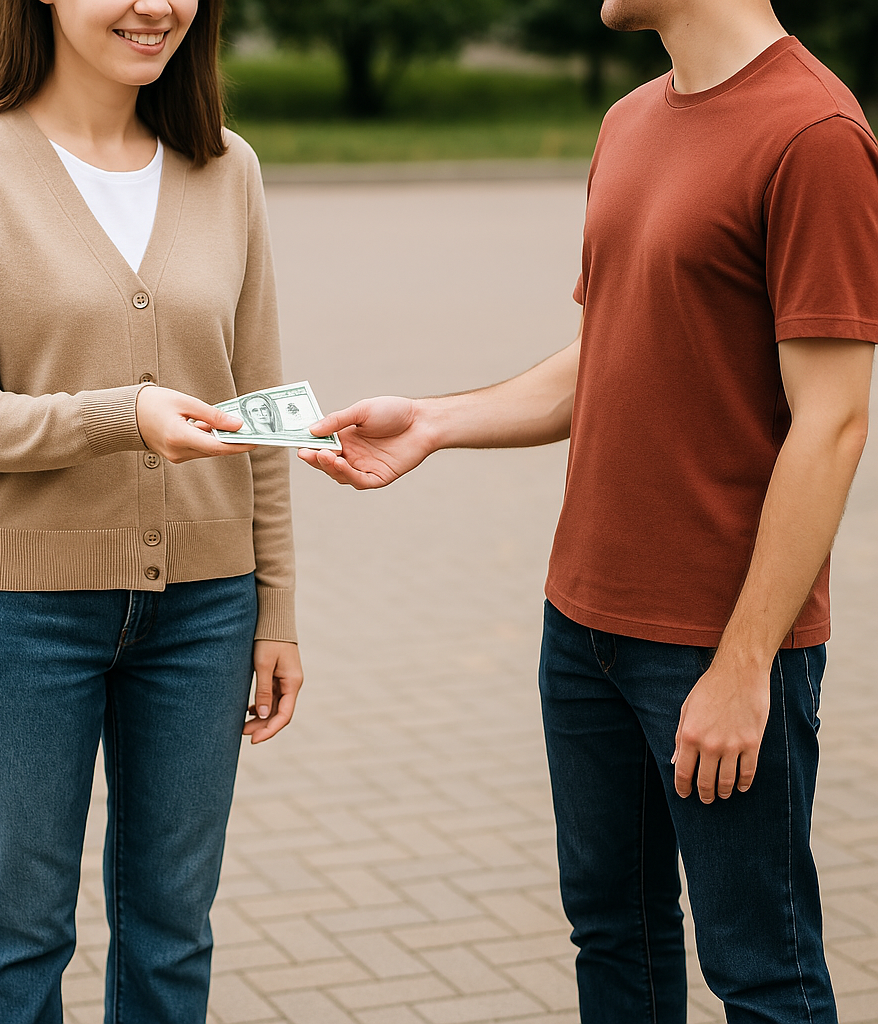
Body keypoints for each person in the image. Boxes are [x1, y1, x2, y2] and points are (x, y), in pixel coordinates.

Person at [299, 1, 878, 1021]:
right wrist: (434, 420)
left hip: (717, 645)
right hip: (582, 630)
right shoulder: (629, 120)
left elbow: (830, 424)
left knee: (763, 971)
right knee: (614, 939)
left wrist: (744, 665)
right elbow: (613, 350)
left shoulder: (815, 137)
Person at [0, 0, 303, 1021]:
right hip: (25, 619)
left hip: (207, 614)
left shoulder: (229, 168)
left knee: (173, 933)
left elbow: (262, 406)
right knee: (20, 937)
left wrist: (277, 610)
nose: (154, 7)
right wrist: (123, 415)